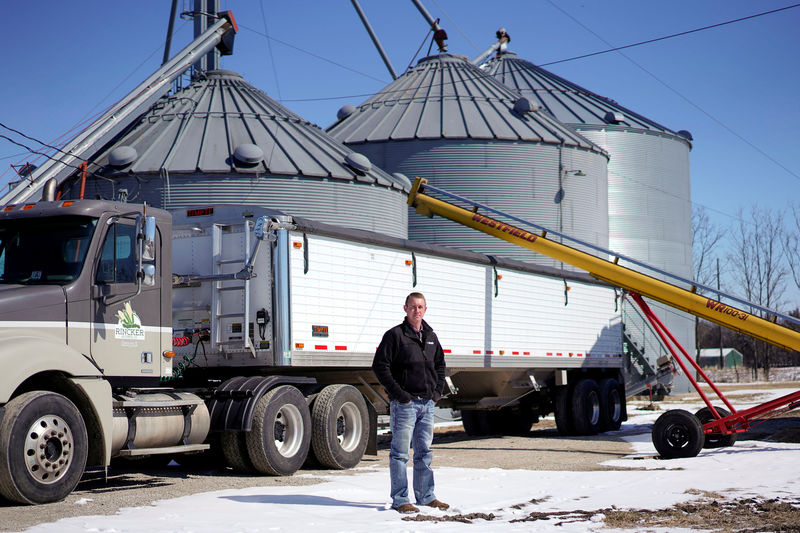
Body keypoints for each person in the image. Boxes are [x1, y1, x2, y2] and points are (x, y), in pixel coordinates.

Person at [372, 292, 449, 514]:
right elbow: (380, 366)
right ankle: (400, 499)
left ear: (426, 309)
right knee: (400, 453)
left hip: (427, 404)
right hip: (405, 405)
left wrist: (436, 393)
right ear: (405, 309)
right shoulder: (395, 335)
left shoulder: (431, 336)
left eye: (421, 307)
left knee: (425, 452)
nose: (417, 310)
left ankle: (426, 496)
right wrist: (400, 394)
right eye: (413, 307)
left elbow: (440, 366)